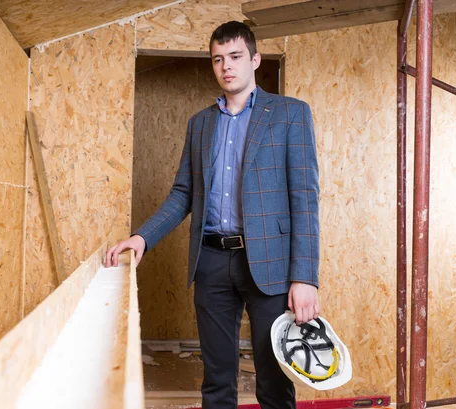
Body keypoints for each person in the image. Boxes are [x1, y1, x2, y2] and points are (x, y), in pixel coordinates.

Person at [106, 20, 320, 409]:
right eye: (218, 59)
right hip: (211, 262)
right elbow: (183, 194)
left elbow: (305, 198)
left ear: (254, 59)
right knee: (217, 380)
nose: (227, 66)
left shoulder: (290, 115)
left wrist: (304, 277)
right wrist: (142, 237)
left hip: (269, 264)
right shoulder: (200, 124)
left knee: (273, 381)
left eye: (236, 57)